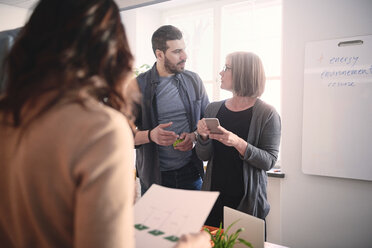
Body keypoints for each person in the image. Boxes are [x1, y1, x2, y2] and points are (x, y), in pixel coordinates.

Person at [0, 1, 210, 247]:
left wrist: (195, 135)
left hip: (189, 171)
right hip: (156, 175)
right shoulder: (101, 129)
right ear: (108, 48)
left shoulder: (8, 116)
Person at [195, 52, 281, 231]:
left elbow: (269, 162)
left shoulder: (267, 114)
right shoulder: (213, 109)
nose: (221, 73)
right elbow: (203, 155)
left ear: (243, 72)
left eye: (226, 68)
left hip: (247, 204)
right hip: (213, 200)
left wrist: (238, 143)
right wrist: (202, 137)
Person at [134, 25, 209, 194]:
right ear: (159, 54)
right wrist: (150, 135)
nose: (184, 56)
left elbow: (207, 123)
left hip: (191, 174)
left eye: (184, 50)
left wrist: (194, 136)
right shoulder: (137, 86)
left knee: (197, 222)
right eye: (177, 52)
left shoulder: (194, 80)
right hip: (155, 178)